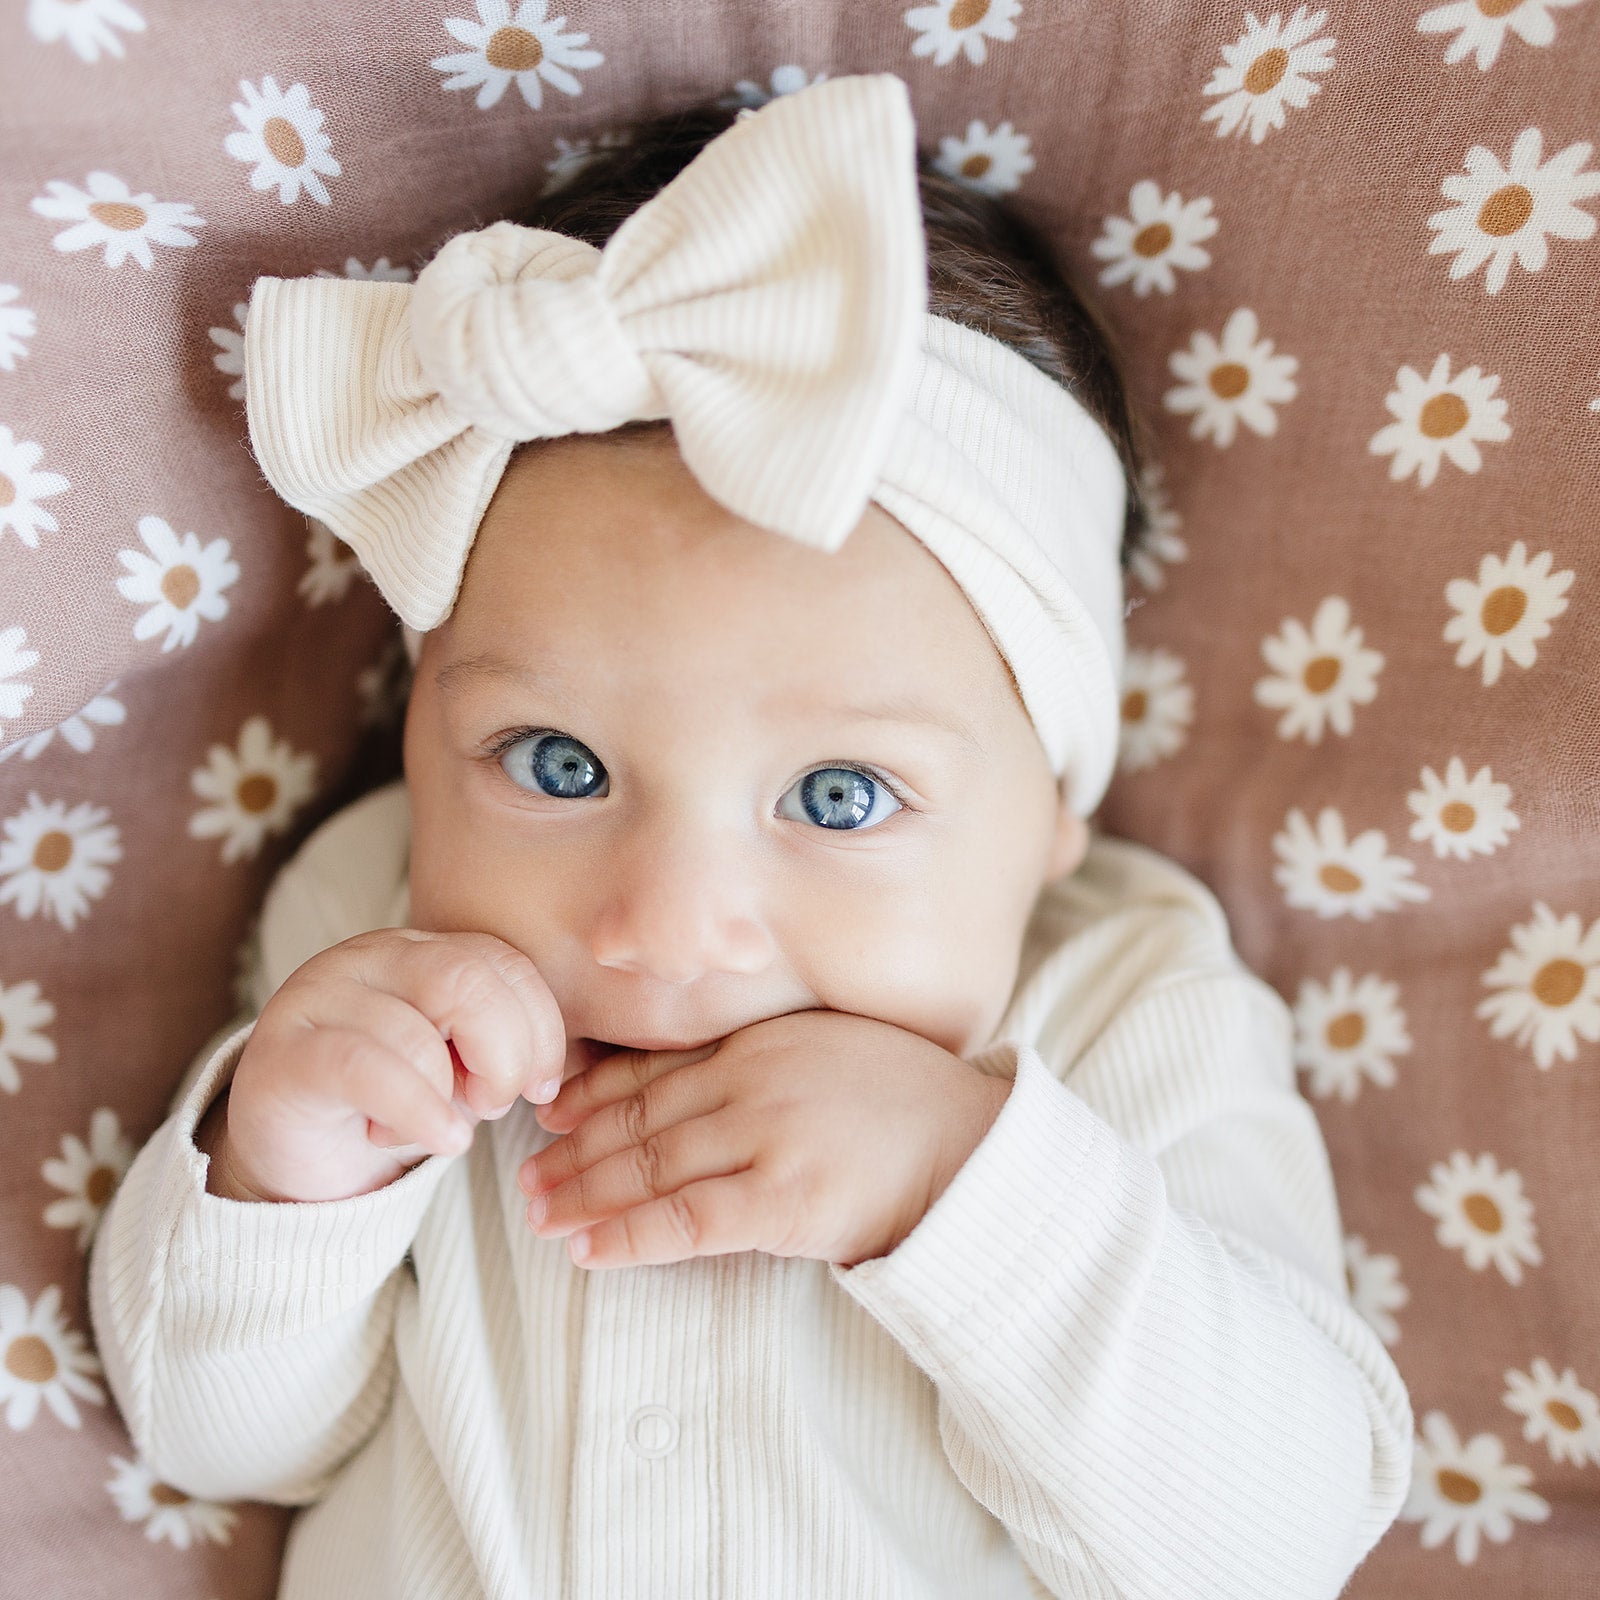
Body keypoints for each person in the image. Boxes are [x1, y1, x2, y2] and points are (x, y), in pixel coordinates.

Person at [89, 74, 1412, 1600]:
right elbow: (221, 1443)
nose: (661, 923)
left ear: (1055, 817)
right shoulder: (373, 936)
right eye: (557, 762)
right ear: (419, 730)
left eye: (838, 798)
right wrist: (287, 1167)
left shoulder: (1130, 1000)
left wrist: (961, 1189)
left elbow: (1283, 1543)